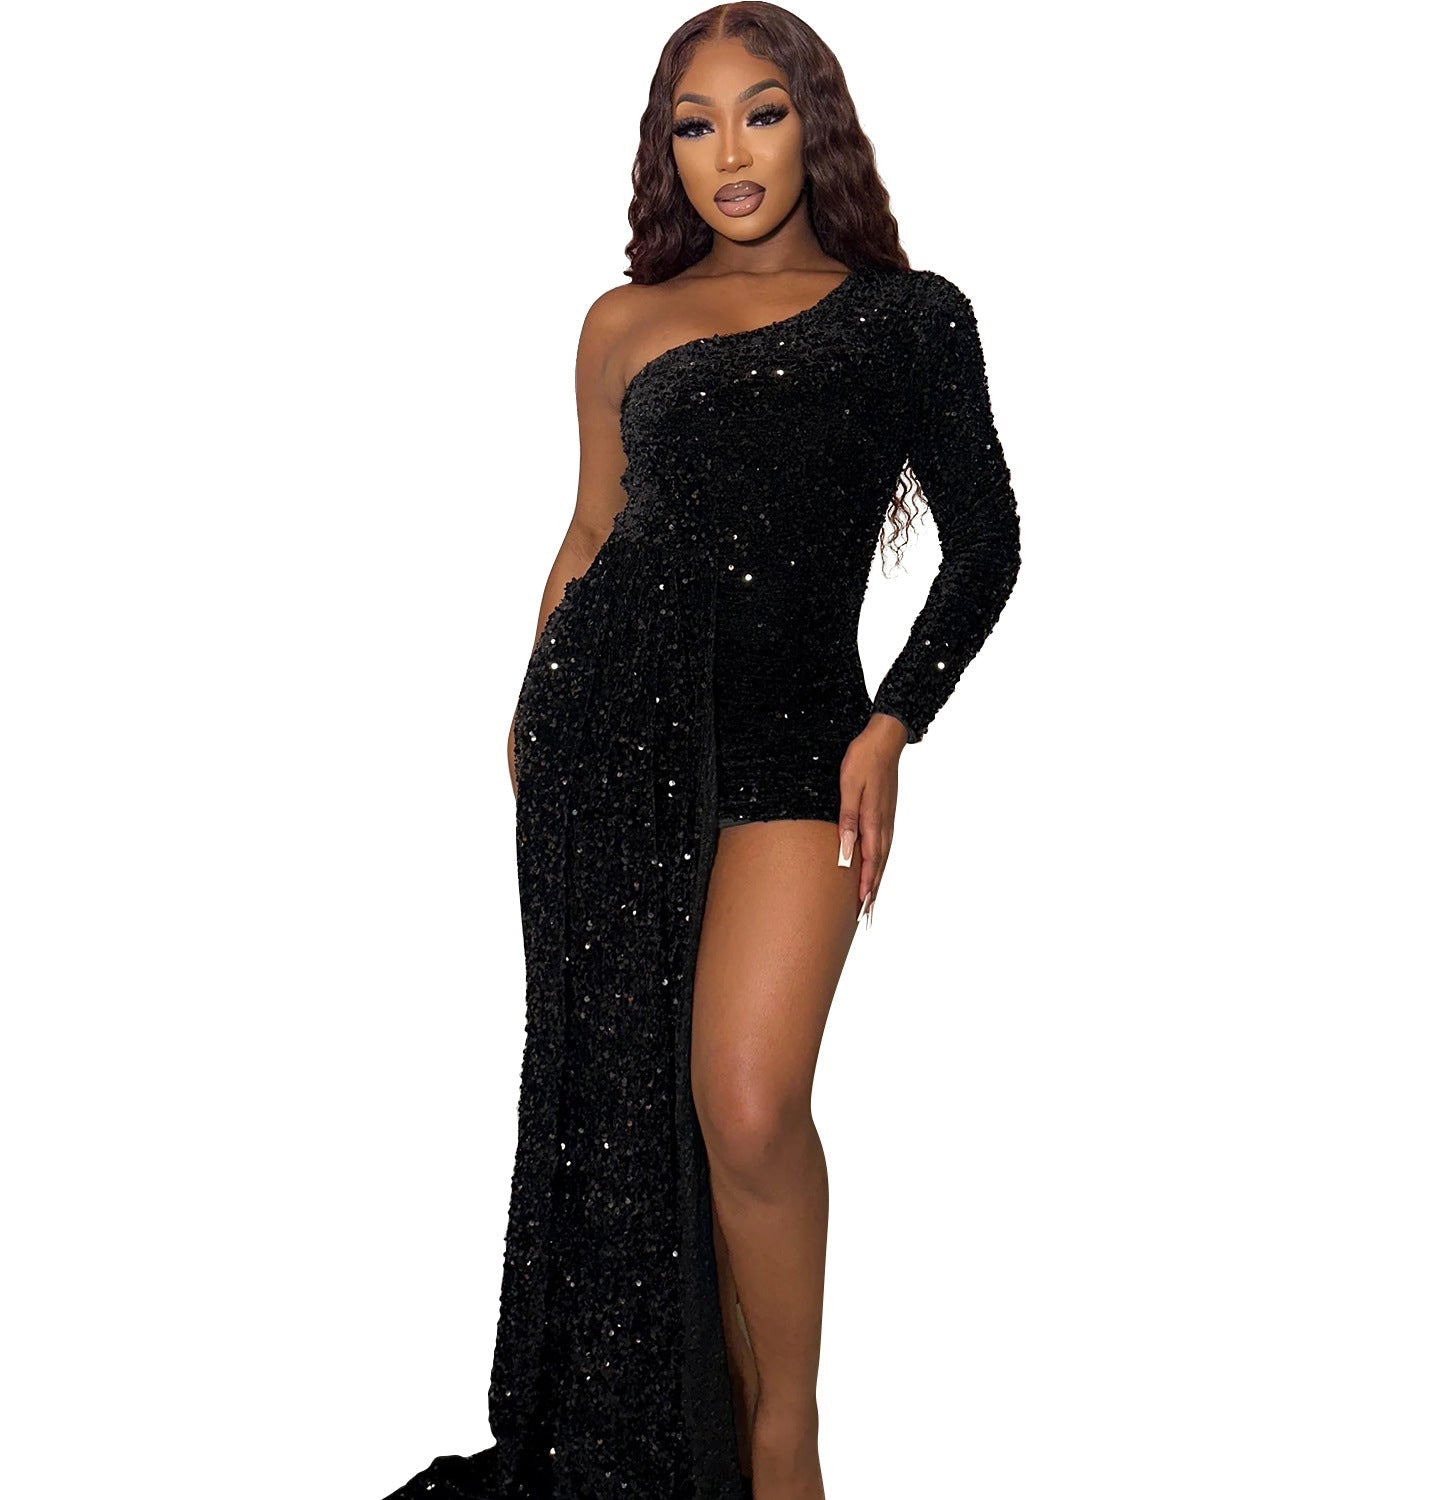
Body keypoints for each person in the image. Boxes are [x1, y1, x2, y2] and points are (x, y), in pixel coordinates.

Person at [382, 5, 1021, 1496]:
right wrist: (533, 714)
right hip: (604, 743)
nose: (729, 151)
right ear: (664, 150)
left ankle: (786, 1437)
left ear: (815, 128)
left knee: (745, 1101)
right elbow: (593, 529)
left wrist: (897, 720)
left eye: (761, 112)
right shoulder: (624, 321)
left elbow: (988, 541)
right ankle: (697, 1449)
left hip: (802, 741)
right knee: (626, 1119)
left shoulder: (911, 317)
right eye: (695, 122)